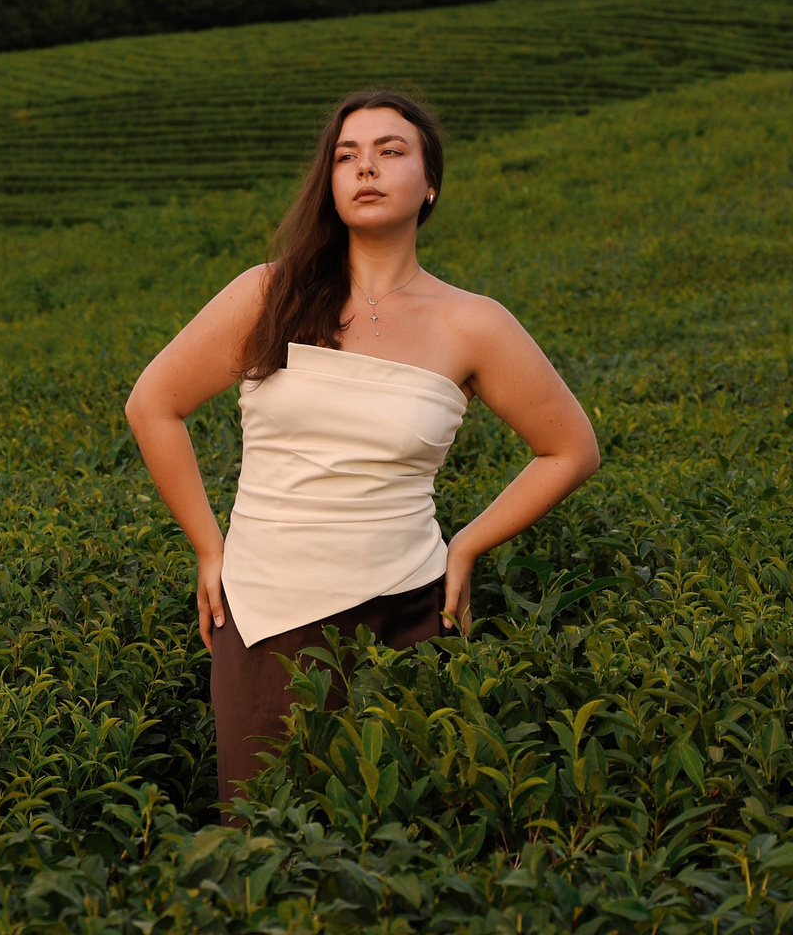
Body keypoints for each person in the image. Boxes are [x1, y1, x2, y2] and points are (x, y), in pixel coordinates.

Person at [124, 89, 602, 810]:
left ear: (430, 182)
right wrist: (209, 547)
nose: (365, 168)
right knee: (268, 840)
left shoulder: (473, 324)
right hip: (267, 616)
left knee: (403, 843)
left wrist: (465, 548)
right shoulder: (268, 295)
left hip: (407, 612)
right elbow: (153, 405)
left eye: (390, 151)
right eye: (346, 156)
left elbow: (570, 449)